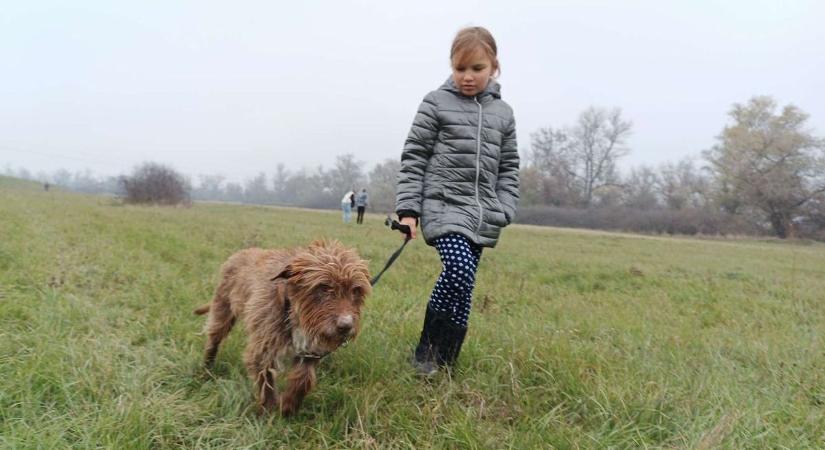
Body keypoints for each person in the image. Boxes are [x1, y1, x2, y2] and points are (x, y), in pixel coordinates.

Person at [395, 26, 519, 376]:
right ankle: (426, 352)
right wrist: (408, 211)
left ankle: (445, 360)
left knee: (464, 288)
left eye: (476, 69)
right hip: (444, 206)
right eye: (460, 68)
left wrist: (505, 207)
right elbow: (414, 156)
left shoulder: (504, 114)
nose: (467, 77)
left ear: (493, 67)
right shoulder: (435, 102)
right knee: (459, 270)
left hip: (483, 214)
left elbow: (509, 167)